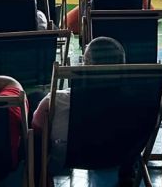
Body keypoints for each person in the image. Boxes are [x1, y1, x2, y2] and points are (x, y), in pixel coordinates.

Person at [32, 37, 137, 185]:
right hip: (118, 157)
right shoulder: (138, 102)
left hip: (67, 158)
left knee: (35, 116)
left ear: (87, 65)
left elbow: (37, 126)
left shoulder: (57, 101)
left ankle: (41, 178)